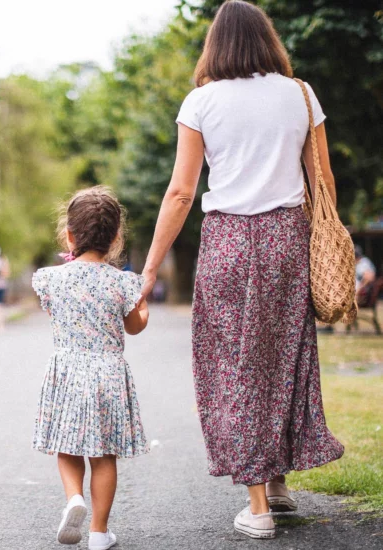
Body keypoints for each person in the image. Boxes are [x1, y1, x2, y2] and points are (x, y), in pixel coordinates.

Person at [138, 1, 343, 540]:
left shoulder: (201, 101)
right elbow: (322, 180)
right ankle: (277, 485)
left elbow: (182, 191)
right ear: (267, 40)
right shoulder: (300, 94)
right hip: (287, 238)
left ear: (217, 45)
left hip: (228, 240)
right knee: (284, 355)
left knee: (234, 364)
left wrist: (151, 266)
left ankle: (257, 508)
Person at [31, 186, 149, 550]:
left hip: (67, 368)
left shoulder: (50, 278)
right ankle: (99, 532)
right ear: (116, 238)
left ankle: (73, 499)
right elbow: (134, 325)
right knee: (104, 454)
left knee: (66, 445)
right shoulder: (123, 282)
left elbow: (54, 312)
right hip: (108, 373)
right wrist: (143, 305)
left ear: (68, 234)